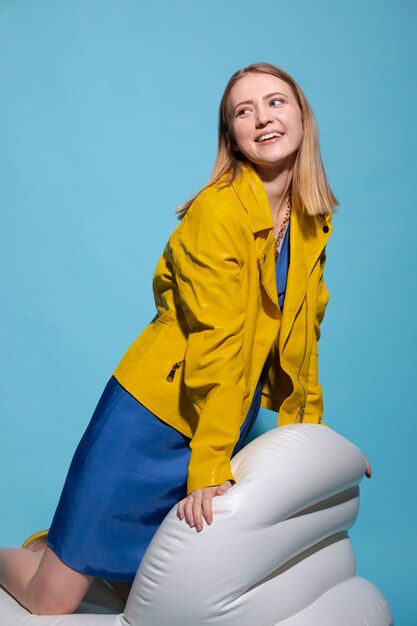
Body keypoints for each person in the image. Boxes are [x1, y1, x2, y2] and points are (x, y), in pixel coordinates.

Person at [0, 61, 370, 616]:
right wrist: (208, 464)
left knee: (154, 585)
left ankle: (57, 548)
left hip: (218, 417)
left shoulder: (311, 219)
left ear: (301, 116)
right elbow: (218, 347)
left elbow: (301, 339)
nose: (263, 118)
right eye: (244, 111)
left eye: (275, 102)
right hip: (149, 419)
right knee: (50, 601)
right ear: (233, 136)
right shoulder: (217, 213)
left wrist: (312, 449)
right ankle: (37, 554)